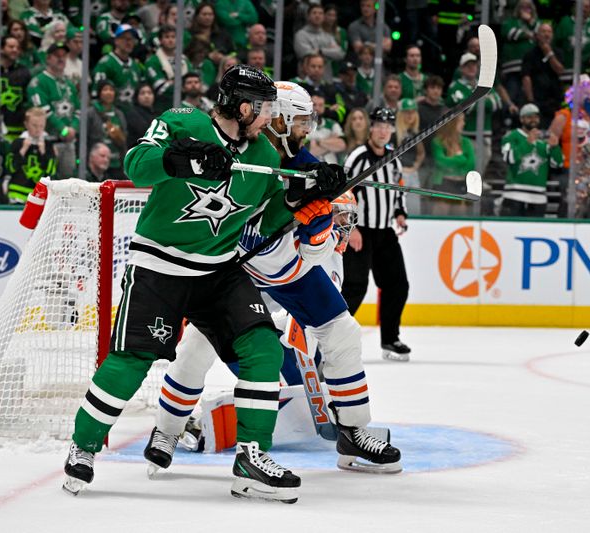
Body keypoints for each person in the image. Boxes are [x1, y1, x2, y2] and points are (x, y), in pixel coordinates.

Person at [62, 65, 339, 504]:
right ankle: (84, 444)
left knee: (264, 348)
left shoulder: (265, 157)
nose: (270, 118)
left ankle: (251, 458)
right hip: (158, 266)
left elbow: (264, 222)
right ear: (244, 107)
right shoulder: (183, 123)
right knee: (132, 359)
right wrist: (178, 159)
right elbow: (136, 163)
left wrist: (302, 198)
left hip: (219, 271)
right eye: (265, 109)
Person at [143, 81, 400, 476]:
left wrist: (320, 218)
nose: (306, 130)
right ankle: (167, 430)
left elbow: (317, 246)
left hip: (285, 268)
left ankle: (352, 430)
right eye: (299, 121)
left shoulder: (301, 161)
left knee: (342, 331)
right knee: (198, 344)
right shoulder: (243, 152)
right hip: (238, 265)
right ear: (275, 119)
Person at [342, 107, 410, 362]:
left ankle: (390, 339)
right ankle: (334, 342)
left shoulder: (395, 158)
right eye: (379, 125)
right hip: (361, 232)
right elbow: (344, 194)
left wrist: (400, 213)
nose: (383, 130)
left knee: (398, 285)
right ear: (371, 128)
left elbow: (398, 189)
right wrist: (352, 228)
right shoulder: (358, 157)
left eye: (388, 125)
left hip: (385, 232)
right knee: (354, 287)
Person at [500, 103, 563, 217]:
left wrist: (555, 148)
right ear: (521, 119)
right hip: (514, 195)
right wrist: (527, 143)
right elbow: (508, 158)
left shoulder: (544, 141)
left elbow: (557, 164)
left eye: (536, 117)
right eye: (529, 117)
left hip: (538, 197)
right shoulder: (511, 136)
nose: (533, 120)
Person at [27, 41, 79, 179]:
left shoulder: (69, 84)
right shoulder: (38, 82)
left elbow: (78, 110)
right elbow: (42, 110)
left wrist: (73, 128)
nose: (61, 58)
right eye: (57, 55)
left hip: (68, 142)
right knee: (46, 180)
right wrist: (63, 129)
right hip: (46, 141)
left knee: (68, 182)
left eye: (64, 55)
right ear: (48, 58)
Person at [5, 107, 57, 202]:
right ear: (26, 124)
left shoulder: (48, 144)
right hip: (17, 192)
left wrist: (43, 153)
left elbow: (51, 171)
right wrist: (23, 150)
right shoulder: (17, 142)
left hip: (38, 195)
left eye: (41, 126)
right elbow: (10, 168)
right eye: (34, 125)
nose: (38, 129)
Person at [92, 24, 145, 113]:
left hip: (132, 111)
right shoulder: (106, 63)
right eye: (125, 39)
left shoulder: (135, 66)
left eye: (131, 39)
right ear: (116, 41)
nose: (129, 43)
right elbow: (96, 93)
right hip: (112, 112)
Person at [428, 114, 474, 216]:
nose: (464, 124)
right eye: (461, 121)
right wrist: (461, 158)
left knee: (460, 217)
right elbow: (441, 162)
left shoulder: (466, 142)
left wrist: (452, 161)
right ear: (452, 123)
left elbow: (470, 165)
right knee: (440, 215)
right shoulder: (438, 141)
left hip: (461, 184)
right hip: (444, 184)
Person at [520, 22, 564, 129]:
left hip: (554, 100)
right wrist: (531, 100)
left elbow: (560, 70)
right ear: (538, 35)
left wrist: (549, 53)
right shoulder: (530, 54)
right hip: (537, 99)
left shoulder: (558, 52)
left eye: (549, 32)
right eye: (543, 31)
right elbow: (526, 77)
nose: (546, 34)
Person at [500, 0, 539, 106]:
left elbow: (540, 35)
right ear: (518, 9)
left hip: (533, 69)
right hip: (513, 68)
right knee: (513, 96)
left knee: (531, 98)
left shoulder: (536, 23)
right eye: (523, 7)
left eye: (528, 7)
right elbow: (509, 33)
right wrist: (528, 35)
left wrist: (530, 22)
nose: (526, 10)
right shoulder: (510, 21)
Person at [87, 79, 128, 180]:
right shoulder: (91, 113)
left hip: (116, 163)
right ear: (99, 93)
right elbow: (85, 137)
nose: (109, 92)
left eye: (111, 90)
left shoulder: (119, 114)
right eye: (105, 89)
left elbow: (124, 137)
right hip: (96, 164)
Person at [293, 4, 344, 82]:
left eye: (320, 13)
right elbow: (306, 54)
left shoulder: (328, 36)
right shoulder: (301, 35)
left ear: (324, 17)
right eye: (314, 13)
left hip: (326, 81)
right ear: (308, 16)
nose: (317, 16)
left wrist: (321, 51)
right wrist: (329, 52)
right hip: (306, 82)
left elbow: (340, 53)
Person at [144, 25, 189, 113]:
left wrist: (171, 82)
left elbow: (191, 79)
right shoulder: (153, 61)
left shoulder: (184, 60)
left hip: (184, 107)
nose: (170, 40)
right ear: (160, 40)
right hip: (162, 108)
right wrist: (183, 86)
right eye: (167, 37)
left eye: (173, 37)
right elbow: (160, 88)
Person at [0, 36, 32, 143]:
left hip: (16, 125)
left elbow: (28, 98)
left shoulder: (24, 72)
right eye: (11, 47)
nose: (15, 50)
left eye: (17, 47)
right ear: (1, 48)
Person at [395, 98, 425, 215]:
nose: (410, 115)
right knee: (398, 209)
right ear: (401, 113)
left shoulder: (414, 132)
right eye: (407, 112)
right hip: (397, 174)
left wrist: (415, 166)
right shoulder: (393, 132)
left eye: (413, 112)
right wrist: (400, 169)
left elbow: (421, 152)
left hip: (412, 174)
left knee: (414, 210)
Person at [308, 91, 346, 165]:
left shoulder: (333, 124)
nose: (317, 108)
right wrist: (331, 142)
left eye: (321, 105)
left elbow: (342, 145)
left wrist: (318, 142)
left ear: (325, 107)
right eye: (314, 105)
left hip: (332, 170)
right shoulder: (301, 126)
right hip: (310, 170)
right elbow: (311, 151)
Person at [124, 82, 157, 146]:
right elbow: (145, 131)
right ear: (137, 97)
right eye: (142, 93)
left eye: (149, 93)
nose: (146, 96)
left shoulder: (157, 114)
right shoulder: (132, 114)